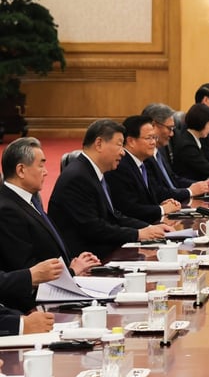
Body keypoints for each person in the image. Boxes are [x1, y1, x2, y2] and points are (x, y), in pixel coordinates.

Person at [0, 137, 102, 311]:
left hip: (58, 290)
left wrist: (72, 265)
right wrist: (70, 272)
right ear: (21, 170)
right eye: (41, 165)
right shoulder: (7, 210)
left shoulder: (29, 199)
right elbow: (28, 271)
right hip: (35, 307)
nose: (46, 172)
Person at [48, 119, 175, 258]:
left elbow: (114, 216)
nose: (123, 152)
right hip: (88, 258)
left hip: (102, 249)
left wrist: (148, 228)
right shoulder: (77, 177)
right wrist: (138, 234)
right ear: (99, 144)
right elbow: (93, 228)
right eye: (119, 145)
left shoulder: (93, 172)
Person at [106, 115, 183, 224]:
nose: (153, 142)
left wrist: (161, 204)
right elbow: (128, 209)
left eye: (154, 137)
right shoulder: (120, 166)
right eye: (149, 138)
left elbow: (150, 196)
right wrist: (161, 209)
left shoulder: (145, 161)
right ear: (131, 141)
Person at [141, 103, 209, 202]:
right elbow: (158, 192)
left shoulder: (159, 150)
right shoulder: (144, 155)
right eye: (170, 128)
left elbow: (173, 179)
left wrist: (202, 185)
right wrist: (190, 191)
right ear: (154, 125)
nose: (172, 134)